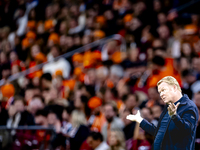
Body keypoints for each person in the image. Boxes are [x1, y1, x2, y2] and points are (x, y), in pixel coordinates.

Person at [126, 76, 199, 150]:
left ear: (174, 88)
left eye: (164, 90)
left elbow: (187, 130)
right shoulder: (168, 108)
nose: (161, 94)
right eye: (160, 92)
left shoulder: (188, 106)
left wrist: (175, 116)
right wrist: (140, 120)